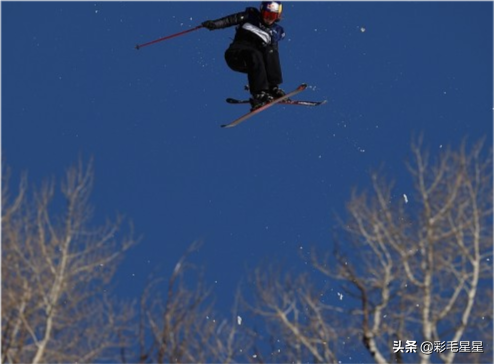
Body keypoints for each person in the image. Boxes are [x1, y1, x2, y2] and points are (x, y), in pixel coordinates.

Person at [202, 0, 286, 110]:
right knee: (254, 53)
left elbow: (272, 55)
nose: (269, 18)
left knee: (270, 51)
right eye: (266, 14)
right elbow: (229, 20)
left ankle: (272, 88)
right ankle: (259, 93)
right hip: (236, 55)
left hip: (255, 62)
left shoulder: (276, 31)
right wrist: (214, 24)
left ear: (278, 16)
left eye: (272, 16)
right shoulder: (250, 16)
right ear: (261, 12)